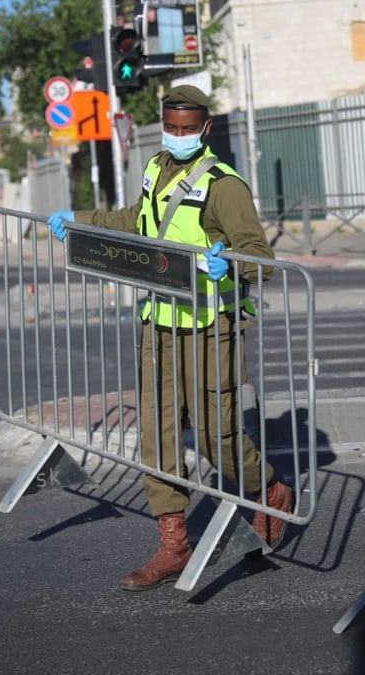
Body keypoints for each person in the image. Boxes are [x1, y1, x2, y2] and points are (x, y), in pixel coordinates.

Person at [47, 84, 294, 592]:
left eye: (188, 128)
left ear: (205, 128)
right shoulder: (157, 168)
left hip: (210, 327)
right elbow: (136, 222)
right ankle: (173, 545)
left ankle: (268, 492)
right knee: (156, 438)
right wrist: (80, 220)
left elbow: (262, 259)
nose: (178, 135)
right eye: (171, 127)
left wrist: (230, 259)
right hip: (158, 323)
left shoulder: (225, 185)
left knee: (214, 436)